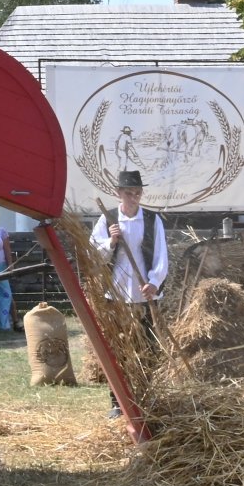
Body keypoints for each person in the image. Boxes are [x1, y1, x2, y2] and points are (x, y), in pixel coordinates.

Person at [90, 169, 168, 414]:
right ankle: (118, 402)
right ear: (118, 193)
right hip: (116, 295)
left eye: (137, 193)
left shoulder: (152, 220)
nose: (134, 198)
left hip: (145, 295)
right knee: (118, 349)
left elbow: (161, 255)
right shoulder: (108, 219)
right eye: (128, 193)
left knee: (148, 349)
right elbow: (95, 254)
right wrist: (111, 241)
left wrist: (154, 282)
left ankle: (146, 399)